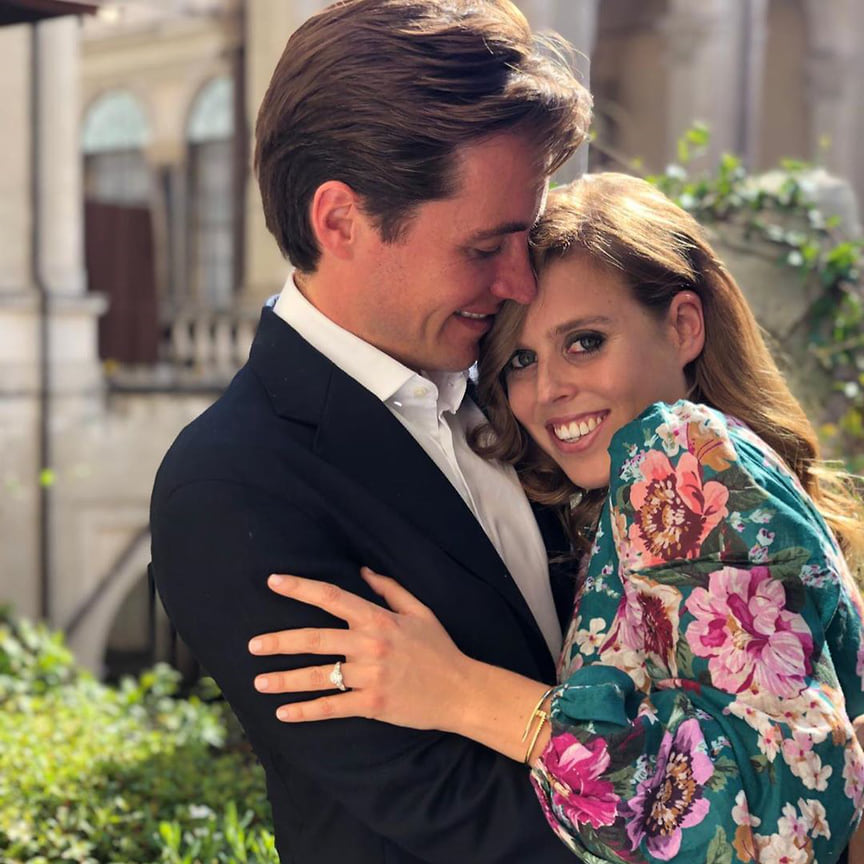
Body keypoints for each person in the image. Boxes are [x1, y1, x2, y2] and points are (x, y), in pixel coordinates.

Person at [248, 173, 864, 863]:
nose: (547, 390)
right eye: (520, 359)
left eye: (586, 342)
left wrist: (464, 694)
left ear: (683, 326)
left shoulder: (678, 449)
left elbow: (762, 822)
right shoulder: (642, 493)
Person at [149, 1, 592, 862]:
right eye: (485, 247)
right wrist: (732, 827)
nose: (523, 282)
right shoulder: (228, 486)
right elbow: (459, 816)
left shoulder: (532, 381)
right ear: (340, 221)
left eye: (528, 238)